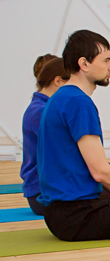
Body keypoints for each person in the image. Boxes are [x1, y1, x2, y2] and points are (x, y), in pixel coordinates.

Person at [36, 30, 110, 240]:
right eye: (106, 60)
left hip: (63, 212)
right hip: (75, 216)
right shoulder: (78, 102)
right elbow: (100, 172)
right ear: (84, 64)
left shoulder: (62, 97)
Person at [20, 54, 70, 215]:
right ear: (57, 80)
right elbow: (63, 153)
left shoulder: (42, 108)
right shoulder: (40, 112)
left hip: (45, 189)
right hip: (42, 193)